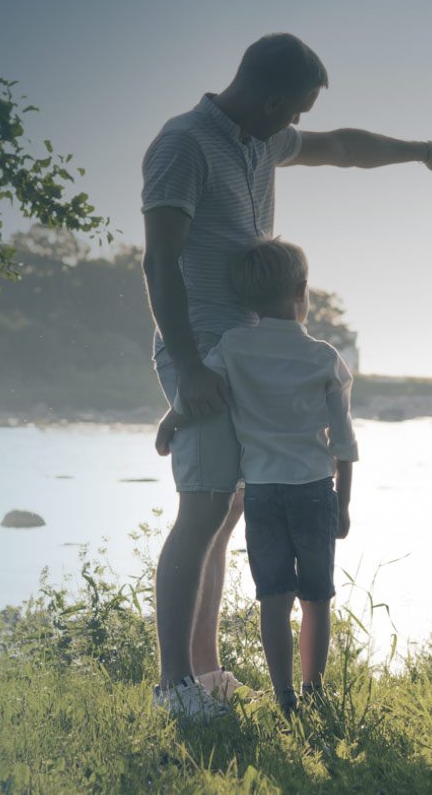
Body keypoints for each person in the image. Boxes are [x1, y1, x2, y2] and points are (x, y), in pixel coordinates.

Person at [141, 32, 432, 720]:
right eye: (294, 111)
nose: (298, 126)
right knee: (203, 505)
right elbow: (160, 262)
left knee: (229, 510)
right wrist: (193, 368)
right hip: (203, 348)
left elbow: (345, 147)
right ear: (269, 98)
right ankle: (174, 687)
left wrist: (420, 152)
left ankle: (206, 673)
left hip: (251, 351)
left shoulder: (260, 142)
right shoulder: (183, 146)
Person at [155, 238, 354, 714]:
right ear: (302, 292)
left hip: (262, 494)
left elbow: (202, 388)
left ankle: (283, 697)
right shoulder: (325, 357)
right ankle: (314, 692)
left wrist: (170, 421)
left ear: (245, 300)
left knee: (274, 598)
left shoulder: (233, 345)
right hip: (313, 492)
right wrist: (342, 505)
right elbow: (343, 443)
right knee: (316, 599)